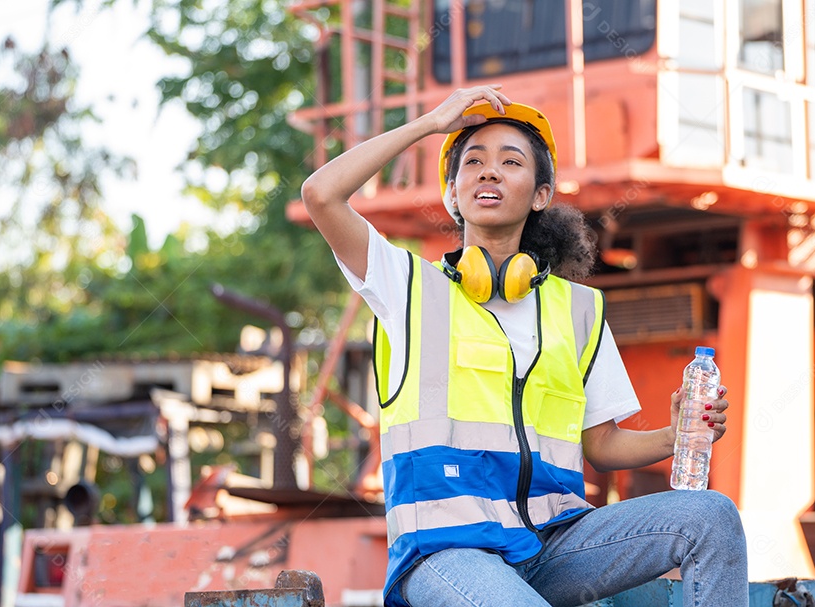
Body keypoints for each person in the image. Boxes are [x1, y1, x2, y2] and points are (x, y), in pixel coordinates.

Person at [301, 85, 748, 607]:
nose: (488, 171)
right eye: (472, 162)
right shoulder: (405, 288)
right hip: (448, 551)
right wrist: (429, 124)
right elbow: (322, 194)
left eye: (510, 162)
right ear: (453, 192)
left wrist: (676, 435)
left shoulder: (578, 310)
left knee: (711, 517)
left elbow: (601, 448)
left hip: (556, 545)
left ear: (540, 195)